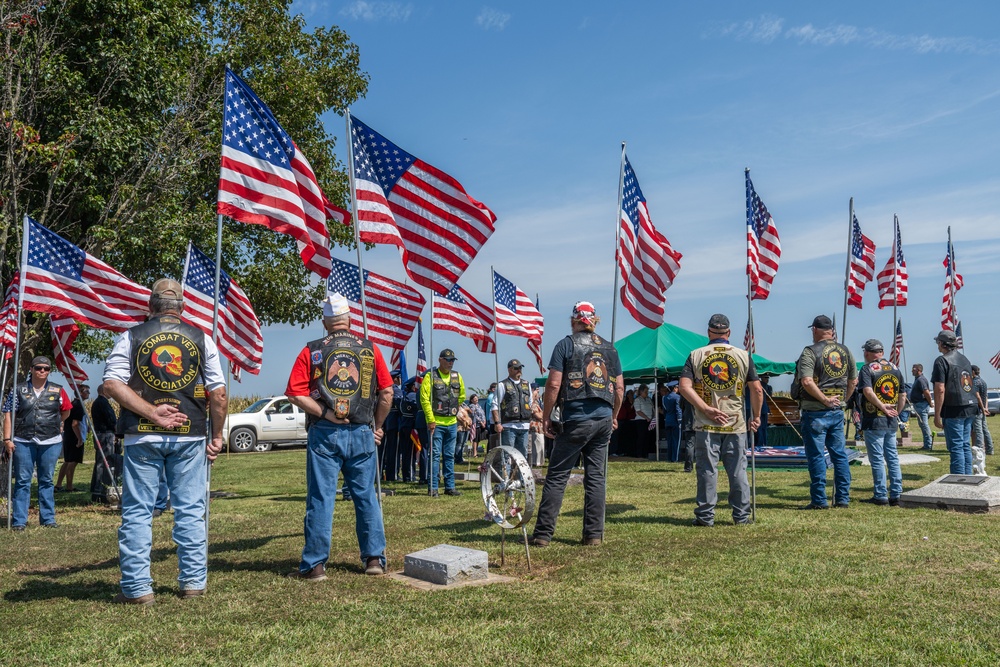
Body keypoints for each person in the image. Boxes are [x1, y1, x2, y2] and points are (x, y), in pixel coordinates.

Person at [103, 279, 227, 604]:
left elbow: (112, 384)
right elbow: (219, 392)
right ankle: (193, 584)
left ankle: (137, 589)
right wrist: (217, 435)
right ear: (182, 307)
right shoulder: (203, 339)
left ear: (150, 306)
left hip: (141, 435)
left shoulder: (131, 336)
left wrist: (151, 412)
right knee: (190, 510)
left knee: (138, 512)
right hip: (190, 434)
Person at [285, 293, 392, 581]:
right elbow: (387, 392)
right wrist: (377, 426)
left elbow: (295, 392)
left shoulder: (313, 351)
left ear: (325, 323)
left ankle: (315, 564)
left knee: (321, 497)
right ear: (350, 320)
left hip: (325, 433)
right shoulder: (369, 350)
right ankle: (374, 559)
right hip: (361, 431)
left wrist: (323, 413)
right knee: (366, 496)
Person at [530, 301, 623, 547]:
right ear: (595, 320)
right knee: (596, 478)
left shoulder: (566, 344)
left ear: (574, 320)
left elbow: (553, 384)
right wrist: (613, 415)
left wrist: (547, 415)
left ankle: (542, 535)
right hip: (602, 418)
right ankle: (593, 535)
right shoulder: (610, 349)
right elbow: (620, 388)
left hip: (575, 417)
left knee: (558, 475)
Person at [678, 314, 762, 526]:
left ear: (708, 332)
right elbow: (757, 390)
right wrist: (757, 416)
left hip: (706, 423)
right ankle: (741, 516)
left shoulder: (695, 355)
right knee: (737, 471)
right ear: (729, 333)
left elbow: (684, 387)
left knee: (707, 470)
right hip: (736, 423)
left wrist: (705, 408)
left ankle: (706, 517)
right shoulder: (743, 355)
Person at [2, 356, 72, 530]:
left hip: (51, 441)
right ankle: (19, 521)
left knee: (46, 480)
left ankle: (48, 519)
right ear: (31, 369)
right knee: (23, 481)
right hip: (23, 441)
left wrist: (57, 424)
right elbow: (9, 414)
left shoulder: (58, 390)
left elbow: (66, 412)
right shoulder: (18, 390)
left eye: (46, 368)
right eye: (39, 368)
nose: (42, 371)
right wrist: (7, 439)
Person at [795, 315, 857, 510]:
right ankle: (843, 498)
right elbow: (853, 381)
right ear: (831, 331)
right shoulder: (845, 351)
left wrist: (824, 399)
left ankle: (819, 500)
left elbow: (806, 381)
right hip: (837, 411)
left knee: (816, 456)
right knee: (839, 455)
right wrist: (843, 400)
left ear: (814, 330)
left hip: (815, 411)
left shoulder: (810, 352)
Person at [857, 339, 904, 506]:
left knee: (877, 459)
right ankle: (897, 493)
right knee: (892, 457)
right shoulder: (895, 368)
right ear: (882, 352)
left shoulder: (867, 368)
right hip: (891, 420)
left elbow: (868, 391)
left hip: (874, 418)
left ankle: (880, 494)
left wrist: (882, 407)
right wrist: (897, 410)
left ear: (867, 353)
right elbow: (902, 394)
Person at [419, 348, 466, 497]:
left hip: (451, 423)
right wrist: (430, 419)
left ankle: (449, 486)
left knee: (449, 455)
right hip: (436, 423)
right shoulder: (430, 376)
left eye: (452, 360)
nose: (450, 363)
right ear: (440, 360)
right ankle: (433, 487)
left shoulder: (457, 376)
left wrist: (455, 410)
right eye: (447, 360)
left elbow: (462, 396)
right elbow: (424, 399)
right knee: (435, 456)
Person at [932, 330, 976, 474]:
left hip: (954, 407)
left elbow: (940, 389)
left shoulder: (942, 360)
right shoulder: (965, 359)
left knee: (956, 446)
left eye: (938, 342)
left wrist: (937, 414)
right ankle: (967, 476)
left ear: (942, 343)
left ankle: (958, 480)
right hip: (969, 406)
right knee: (964, 444)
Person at [492, 359, 533, 459]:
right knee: (507, 456)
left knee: (523, 457)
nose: (519, 370)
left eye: (520, 367)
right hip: (509, 425)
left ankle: (520, 475)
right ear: (509, 370)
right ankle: (505, 475)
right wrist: (497, 423)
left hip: (524, 425)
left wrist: (530, 419)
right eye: (516, 368)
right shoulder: (502, 385)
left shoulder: (526, 384)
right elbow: (495, 405)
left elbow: (530, 403)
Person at [90, 383, 121, 503]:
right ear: (104, 391)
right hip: (105, 434)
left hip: (101, 433)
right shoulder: (102, 403)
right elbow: (111, 419)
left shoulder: (98, 402)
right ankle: (101, 490)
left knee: (101, 462)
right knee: (105, 462)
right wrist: (116, 432)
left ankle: (98, 489)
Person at [56, 383, 90, 492]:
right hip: (74, 437)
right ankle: (69, 486)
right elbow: (75, 424)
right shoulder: (78, 405)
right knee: (73, 462)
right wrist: (79, 438)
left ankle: (59, 484)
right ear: (80, 393)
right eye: (86, 391)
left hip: (68, 436)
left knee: (67, 460)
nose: (88, 394)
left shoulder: (72, 404)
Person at [382, 369, 403, 481]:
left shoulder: (384, 390)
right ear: (395, 379)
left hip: (385, 423)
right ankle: (392, 474)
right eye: (399, 378)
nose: (400, 380)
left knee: (383, 450)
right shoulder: (397, 391)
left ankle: (380, 473)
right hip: (395, 424)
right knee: (393, 452)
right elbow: (401, 408)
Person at [909, 363, 934, 451]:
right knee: (922, 425)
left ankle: (929, 444)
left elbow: (926, 392)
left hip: (922, 405)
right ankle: (926, 444)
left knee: (924, 425)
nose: (912, 370)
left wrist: (930, 402)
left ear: (919, 370)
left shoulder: (921, 380)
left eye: (914, 369)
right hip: (918, 404)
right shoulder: (918, 379)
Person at [398, 378, 418, 482]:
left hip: (403, 425)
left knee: (406, 452)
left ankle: (406, 474)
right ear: (413, 386)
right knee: (410, 454)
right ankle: (409, 476)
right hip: (410, 426)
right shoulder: (413, 396)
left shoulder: (405, 396)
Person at [971, 365, 994, 456]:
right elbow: (986, 396)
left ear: (973, 372)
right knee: (985, 430)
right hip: (982, 410)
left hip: (977, 410)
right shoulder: (983, 381)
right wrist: (985, 407)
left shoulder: (975, 382)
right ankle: (989, 448)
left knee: (978, 430)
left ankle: (980, 450)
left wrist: (982, 407)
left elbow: (977, 396)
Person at [662, 381, 682, 462]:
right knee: (676, 441)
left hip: (668, 420)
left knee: (669, 441)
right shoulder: (677, 397)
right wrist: (680, 420)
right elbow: (678, 410)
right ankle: (675, 458)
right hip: (675, 421)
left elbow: (664, 410)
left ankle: (669, 458)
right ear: (675, 388)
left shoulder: (664, 398)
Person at [528, 385, 545, 466]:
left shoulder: (537, 404)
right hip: (535, 426)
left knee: (541, 444)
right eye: (536, 392)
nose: (538, 394)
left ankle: (540, 461)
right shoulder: (532, 404)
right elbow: (538, 415)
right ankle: (536, 462)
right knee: (537, 444)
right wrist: (541, 415)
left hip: (540, 426)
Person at [757, 377, 772, 448]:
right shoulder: (763, 385)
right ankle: (762, 443)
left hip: (764, 409)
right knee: (761, 428)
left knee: (762, 428)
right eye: (765, 377)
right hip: (761, 409)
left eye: (767, 378)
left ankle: (762, 443)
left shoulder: (767, 387)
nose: (767, 380)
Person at [455, 401, 472, 465]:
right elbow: (460, 418)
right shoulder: (457, 409)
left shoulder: (463, 406)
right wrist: (466, 425)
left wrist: (469, 420)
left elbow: (469, 412)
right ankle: (457, 458)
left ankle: (460, 457)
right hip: (460, 428)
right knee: (459, 444)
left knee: (463, 443)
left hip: (465, 428)